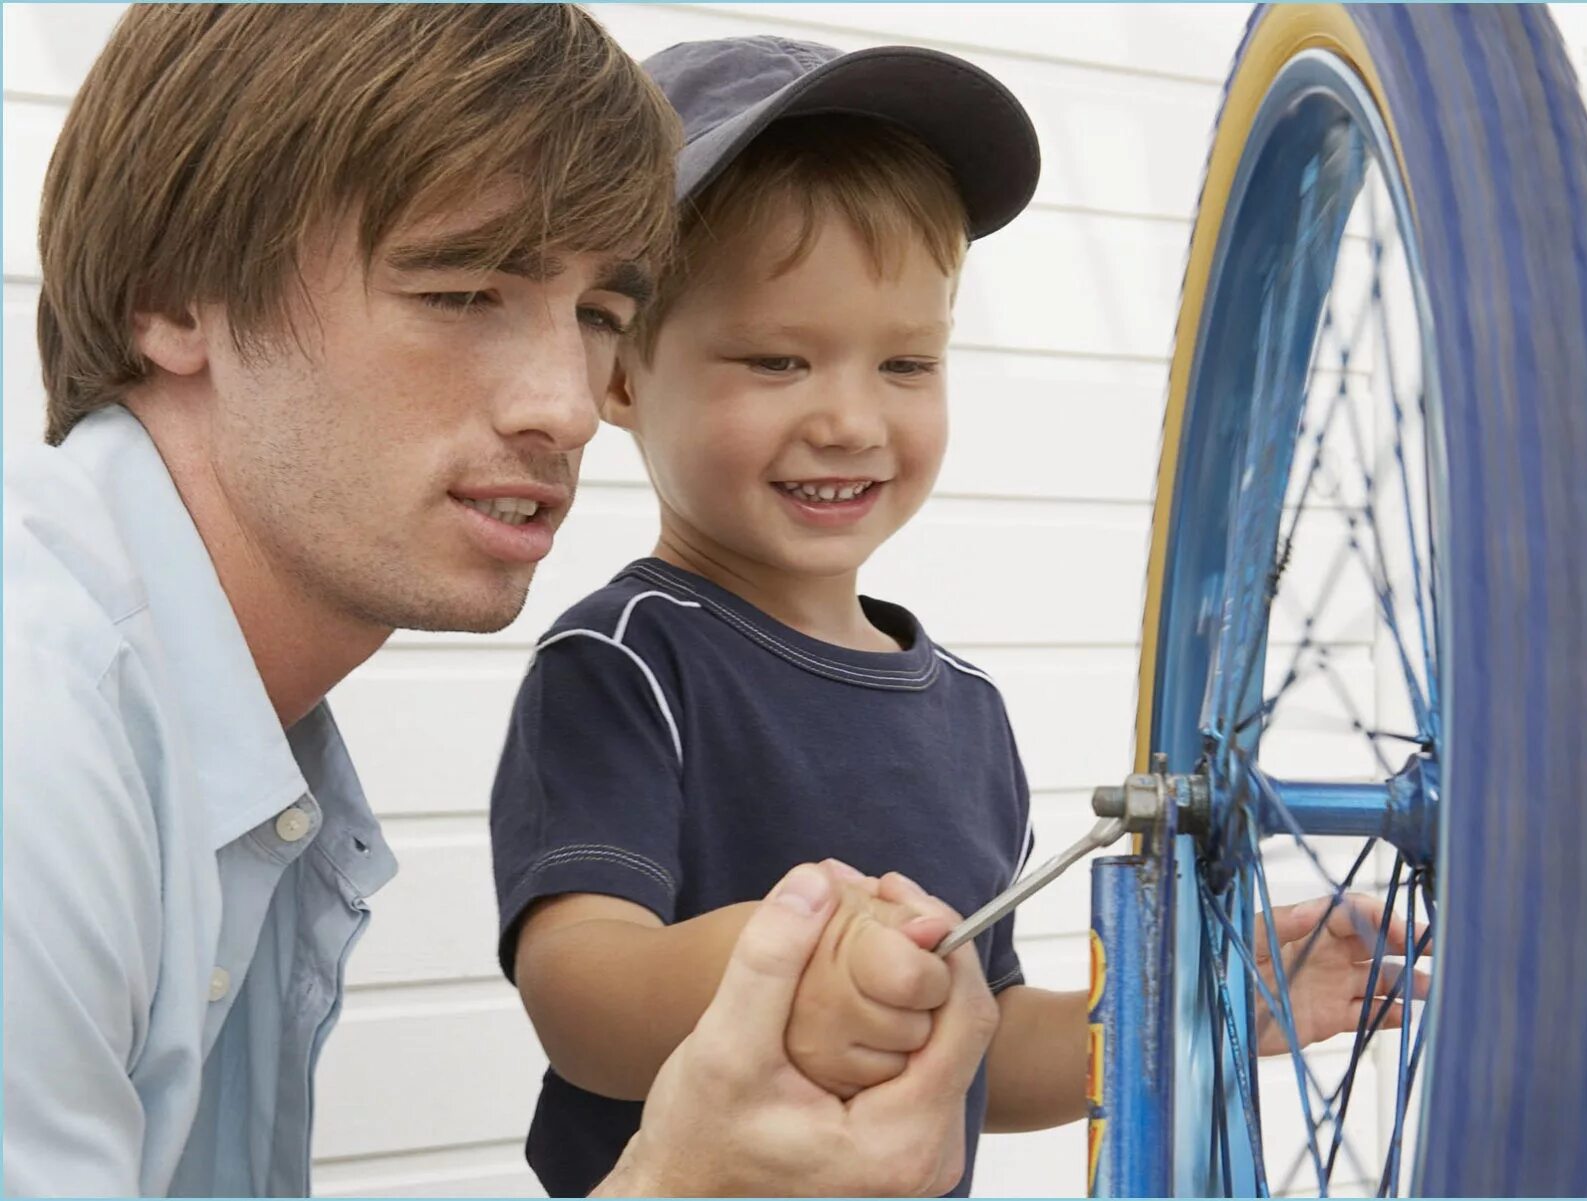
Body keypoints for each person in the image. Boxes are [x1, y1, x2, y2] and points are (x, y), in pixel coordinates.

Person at [2, 8, 995, 1196]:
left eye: (599, 316)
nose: (567, 407)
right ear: (174, 298)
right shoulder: (38, 733)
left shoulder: (238, 736)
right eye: (465, 293)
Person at [489, 34, 1426, 1198]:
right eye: (778, 361)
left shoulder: (964, 709)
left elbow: (990, 1036)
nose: (848, 420)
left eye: (904, 364)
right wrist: (792, 966)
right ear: (621, 379)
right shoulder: (625, 662)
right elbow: (580, 993)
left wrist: (1215, 1005)